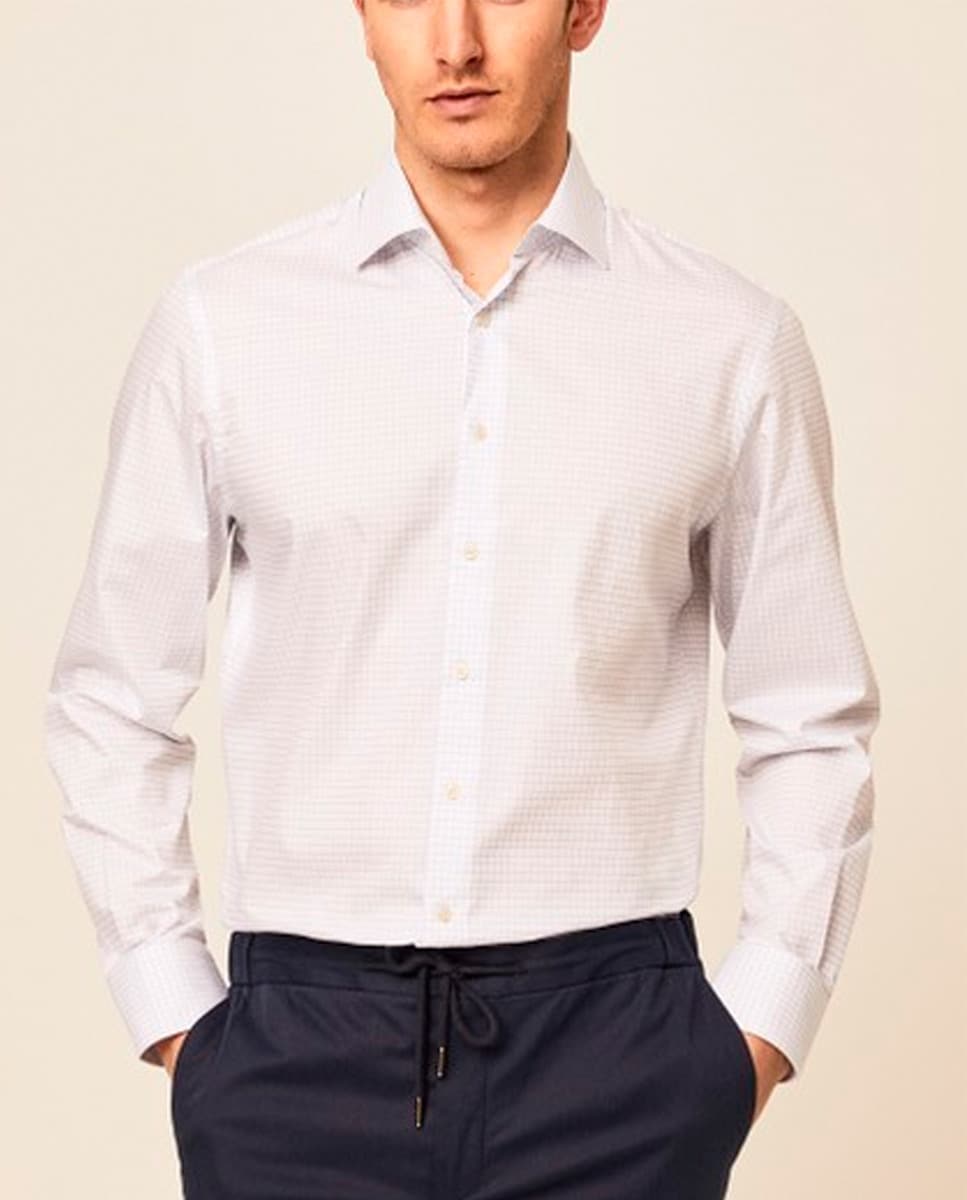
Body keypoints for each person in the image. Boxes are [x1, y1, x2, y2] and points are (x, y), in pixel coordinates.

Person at [43, 1, 880, 1196]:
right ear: (361, 17)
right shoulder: (224, 327)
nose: (456, 42)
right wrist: (179, 1018)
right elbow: (112, 696)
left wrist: (753, 1033)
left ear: (583, 10)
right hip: (296, 1047)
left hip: (619, 1049)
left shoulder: (727, 340)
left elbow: (809, 715)